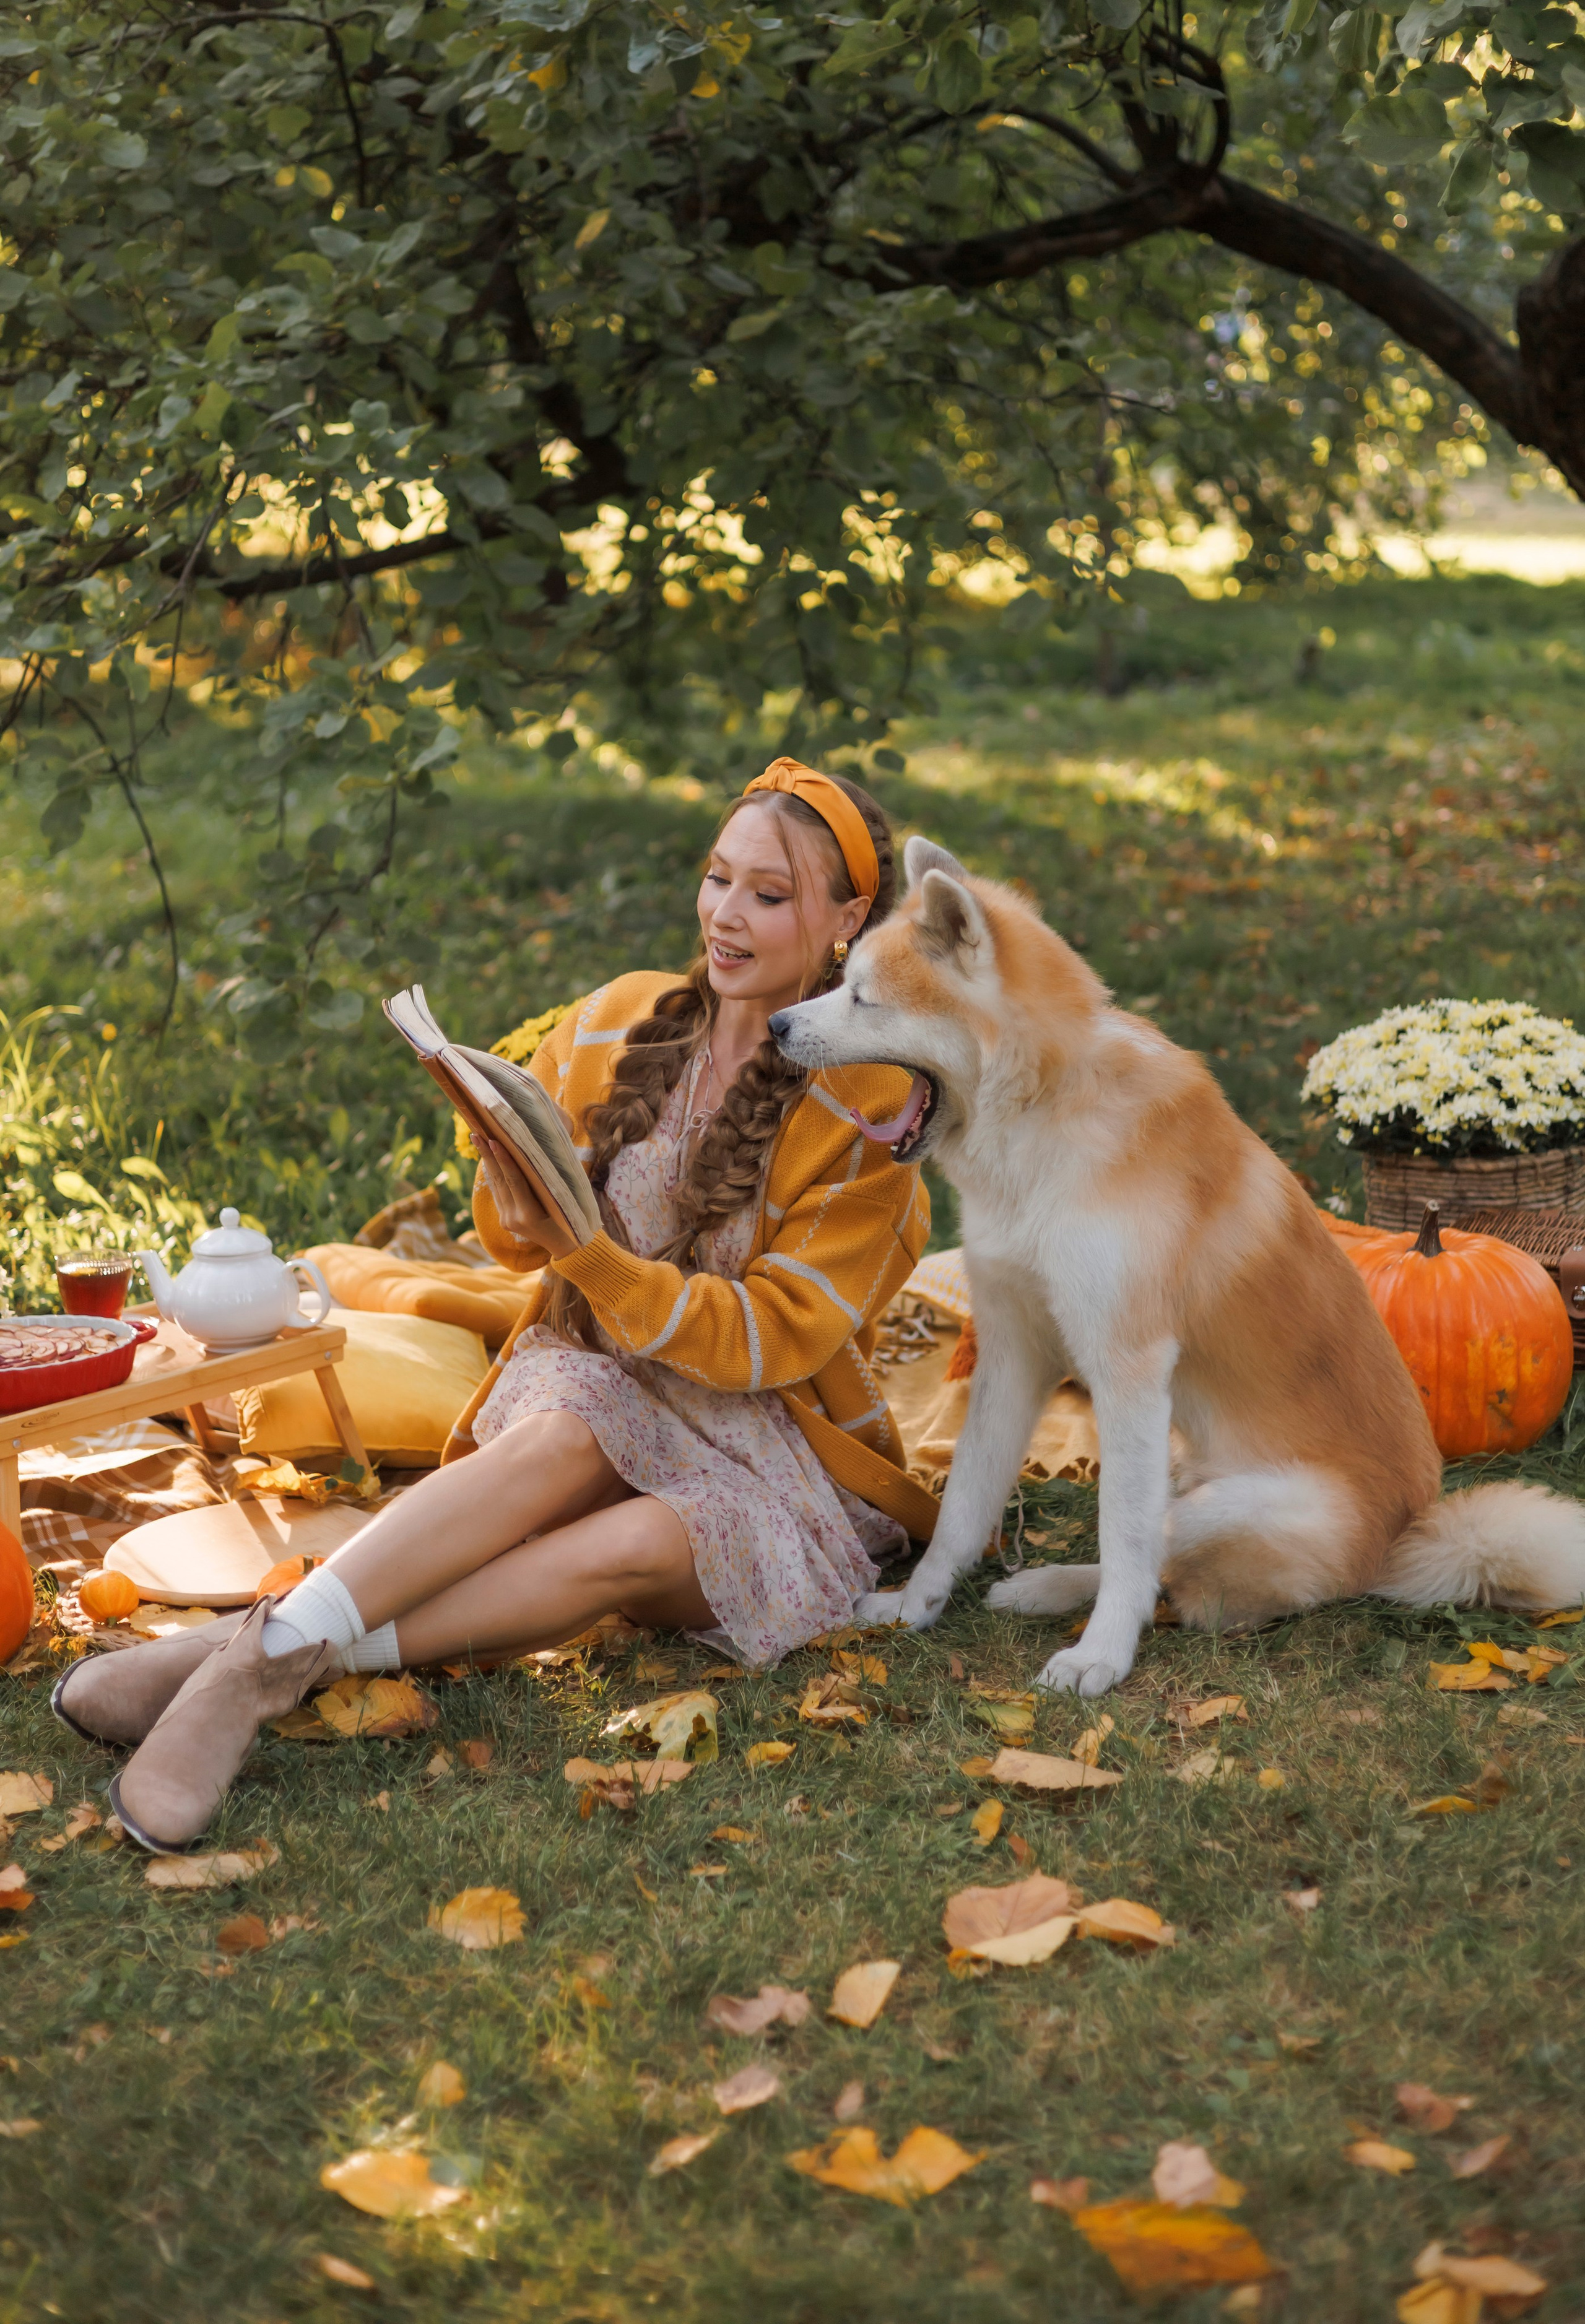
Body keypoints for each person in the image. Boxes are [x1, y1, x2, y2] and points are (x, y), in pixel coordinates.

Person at [56, 760, 942, 1853]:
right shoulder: (621, 1016)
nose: (725, 915)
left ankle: (250, 1657)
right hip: (595, 1387)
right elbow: (515, 1242)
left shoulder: (873, 1103)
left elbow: (776, 1338)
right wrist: (508, 1169)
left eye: (768, 894)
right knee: (575, 1426)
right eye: (718, 878)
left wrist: (592, 1258)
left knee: (646, 1535)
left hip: (762, 1440)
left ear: (849, 920)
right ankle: (264, 1665)